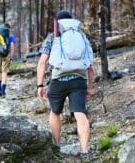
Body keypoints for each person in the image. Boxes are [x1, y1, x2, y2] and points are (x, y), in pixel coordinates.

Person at [36, 10, 94, 162]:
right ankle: (84, 151)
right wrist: (89, 87)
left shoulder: (53, 36)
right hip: (79, 80)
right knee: (80, 113)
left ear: (57, 23)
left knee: (55, 112)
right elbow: (90, 66)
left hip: (58, 80)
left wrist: (40, 85)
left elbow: (42, 62)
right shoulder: (81, 35)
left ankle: (56, 146)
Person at [0, 23, 16, 98]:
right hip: (6, 55)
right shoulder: (11, 36)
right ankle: (3, 92)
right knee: (4, 72)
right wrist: (11, 58)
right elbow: (12, 47)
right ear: (9, 29)